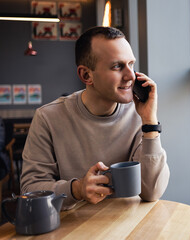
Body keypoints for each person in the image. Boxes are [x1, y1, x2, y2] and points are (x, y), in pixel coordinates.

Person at [21, 26, 170, 210]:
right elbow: (30, 190)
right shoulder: (47, 118)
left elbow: (152, 191)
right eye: (117, 66)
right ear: (86, 75)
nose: (130, 76)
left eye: (131, 64)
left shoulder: (139, 114)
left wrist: (150, 123)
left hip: (127, 227)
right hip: (71, 229)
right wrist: (77, 189)